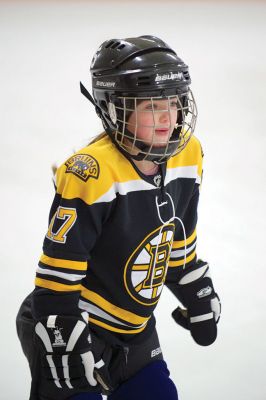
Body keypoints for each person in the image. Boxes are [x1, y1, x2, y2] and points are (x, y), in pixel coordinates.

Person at [16, 35, 221, 400]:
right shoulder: (93, 171)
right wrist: (62, 335)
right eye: (150, 105)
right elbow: (56, 279)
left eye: (172, 103)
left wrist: (194, 290)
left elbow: (175, 244)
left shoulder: (189, 154)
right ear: (114, 109)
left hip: (134, 330)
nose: (166, 117)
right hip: (71, 324)